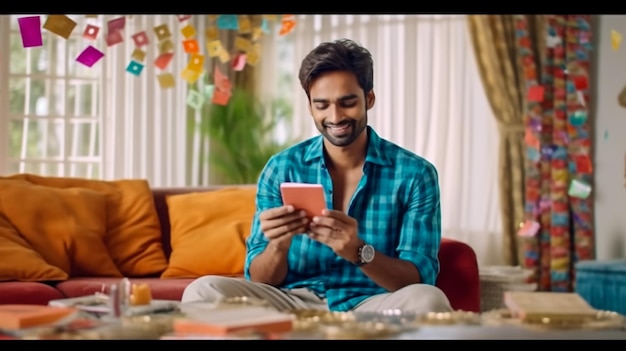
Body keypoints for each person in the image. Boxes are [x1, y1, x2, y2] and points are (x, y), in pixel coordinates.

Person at [181, 38, 453, 314]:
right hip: (291, 302)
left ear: (368, 99)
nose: (335, 117)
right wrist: (278, 245)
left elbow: (419, 277)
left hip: (372, 305)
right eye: (322, 105)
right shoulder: (282, 168)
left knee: (428, 300)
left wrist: (359, 252)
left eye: (347, 102)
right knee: (202, 291)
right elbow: (259, 278)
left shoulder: (415, 174)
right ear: (310, 106)